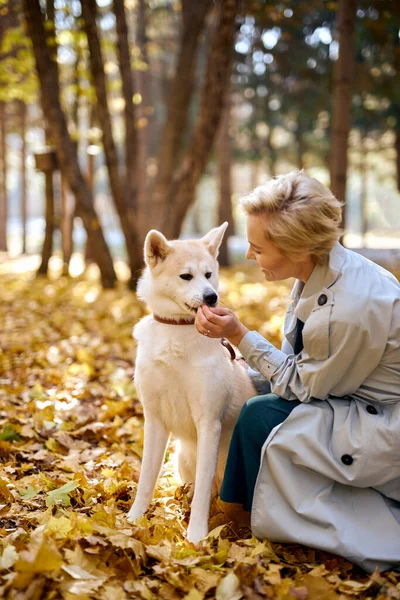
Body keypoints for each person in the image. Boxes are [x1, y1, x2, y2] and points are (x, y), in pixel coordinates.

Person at [194, 170, 400, 573]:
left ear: (296, 247)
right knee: (241, 387)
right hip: (345, 395)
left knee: (258, 414)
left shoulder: (352, 306)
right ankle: (237, 506)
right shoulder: (319, 272)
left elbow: (303, 387)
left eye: (257, 248)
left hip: (380, 421)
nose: (250, 257)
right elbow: (300, 362)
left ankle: (242, 518)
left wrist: (239, 335)